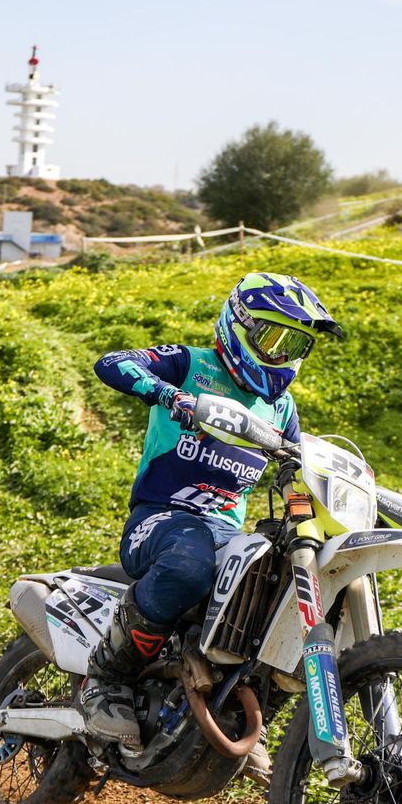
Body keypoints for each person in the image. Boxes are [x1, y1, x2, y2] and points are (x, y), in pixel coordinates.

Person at [88, 272, 341, 744]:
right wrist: (168, 394)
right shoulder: (190, 364)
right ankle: (106, 679)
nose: (282, 355)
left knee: (287, 595)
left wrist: (305, 507)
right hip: (161, 518)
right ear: (239, 325)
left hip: (228, 532)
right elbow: (113, 363)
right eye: (273, 338)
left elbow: (293, 474)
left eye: (296, 345)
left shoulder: (281, 409)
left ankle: (250, 716)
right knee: (188, 567)